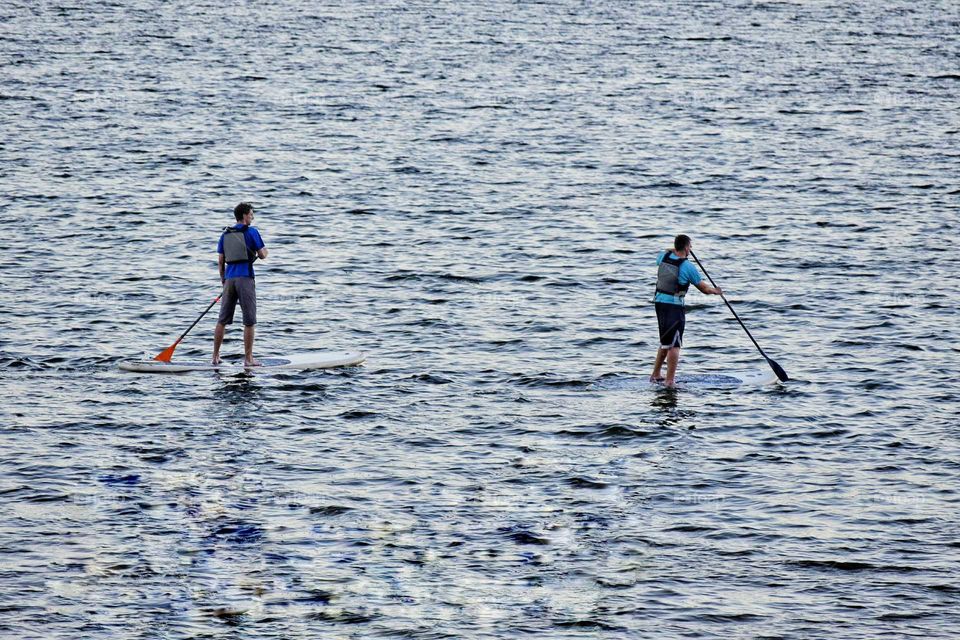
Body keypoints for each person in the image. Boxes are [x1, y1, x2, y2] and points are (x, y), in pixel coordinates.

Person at [650, 234, 722, 387]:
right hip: (674, 307)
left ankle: (656, 374)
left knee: (665, 340)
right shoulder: (688, 267)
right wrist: (716, 291)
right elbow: (704, 289)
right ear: (687, 247)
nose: (691, 249)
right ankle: (669, 381)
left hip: (659, 303)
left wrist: (677, 248)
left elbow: (667, 250)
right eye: (690, 246)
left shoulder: (663, 257)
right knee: (674, 344)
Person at [212, 202, 268, 366]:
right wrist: (265, 252)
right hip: (245, 279)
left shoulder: (225, 235)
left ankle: (215, 357)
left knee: (222, 320)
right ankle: (248, 359)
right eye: (251, 214)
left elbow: (221, 261)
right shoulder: (252, 232)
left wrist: (224, 280)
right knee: (249, 320)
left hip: (229, 280)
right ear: (244, 215)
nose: (252, 216)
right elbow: (263, 255)